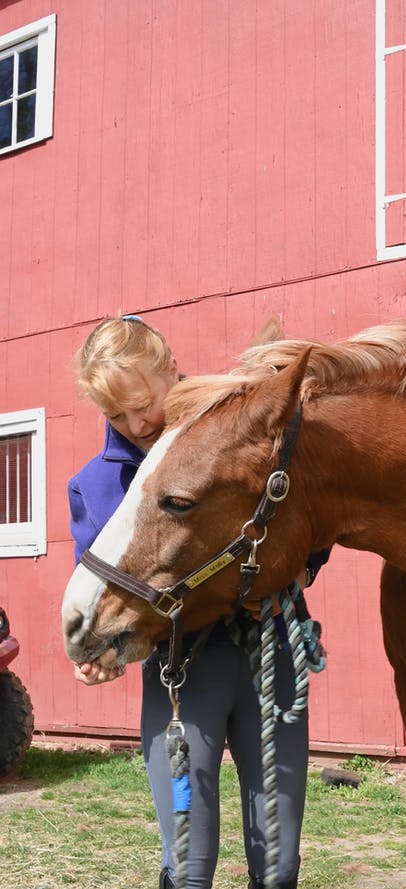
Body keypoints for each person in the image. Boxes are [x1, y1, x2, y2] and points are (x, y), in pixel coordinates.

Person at [68, 315, 328, 889]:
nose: (136, 423)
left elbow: (307, 520)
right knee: (187, 864)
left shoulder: (234, 431)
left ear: (170, 370)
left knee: (279, 862)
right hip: (182, 675)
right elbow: (105, 598)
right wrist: (103, 653)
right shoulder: (96, 485)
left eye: (143, 402)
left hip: (270, 658)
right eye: (115, 414)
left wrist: (297, 574)